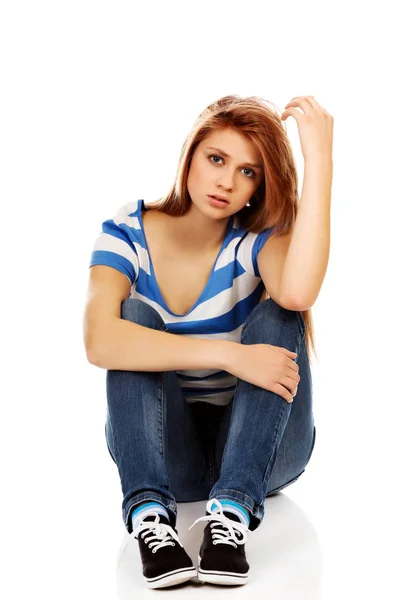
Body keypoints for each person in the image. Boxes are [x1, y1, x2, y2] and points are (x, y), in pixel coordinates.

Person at [83, 94, 333, 589]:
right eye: (216, 159)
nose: (226, 181)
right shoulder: (127, 233)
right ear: (190, 155)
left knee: (281, 312)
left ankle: (232, 516)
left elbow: (299, 291)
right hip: (166, 453)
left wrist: (320, 159)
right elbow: (99, 341)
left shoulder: (256, 238)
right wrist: (230, 355)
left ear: (259, 188)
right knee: (131, 315)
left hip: (268, 451)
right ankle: (151, 517)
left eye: (248, 172)